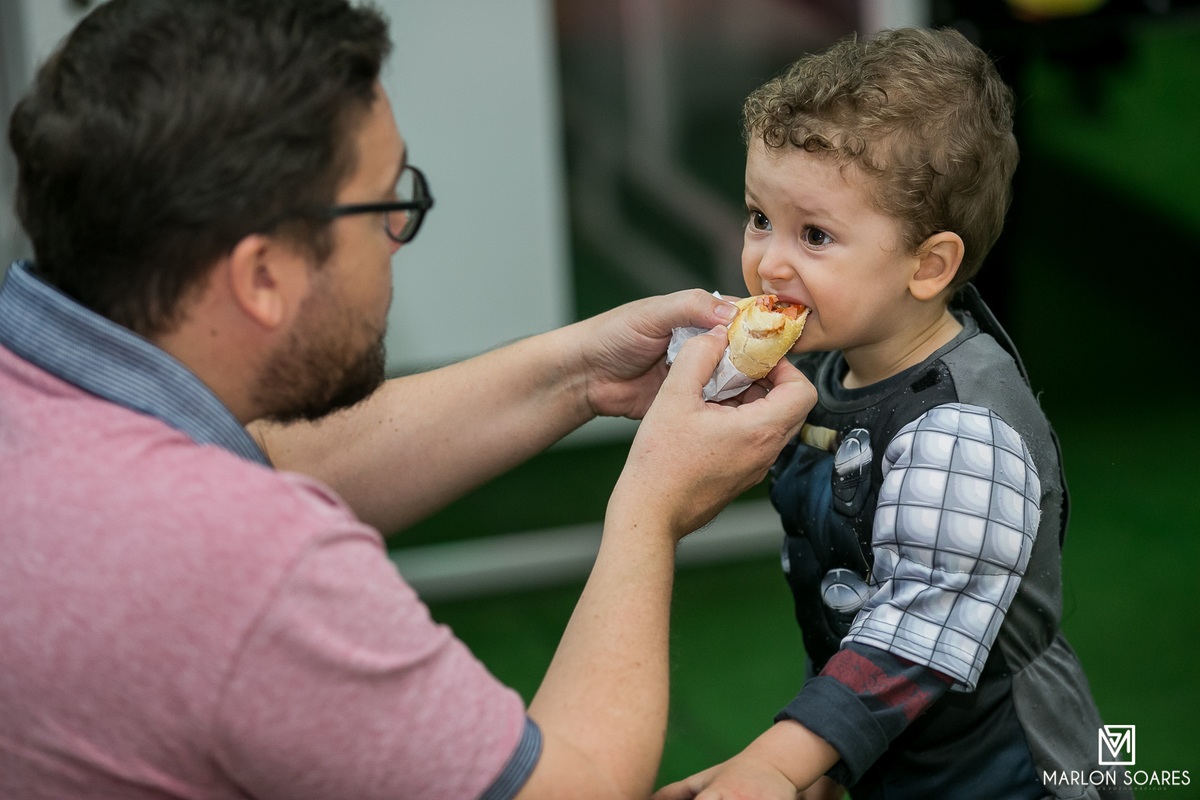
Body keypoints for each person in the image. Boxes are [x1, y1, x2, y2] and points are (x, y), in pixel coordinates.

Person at [0, 2, 817, 799]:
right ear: (262, 276)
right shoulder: (247, 564)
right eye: (388, 208)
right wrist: (652, 506)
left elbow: (254, 460)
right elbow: (580, 789)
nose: (397, 242)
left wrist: (583, 376)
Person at [654, 28, 1129, 800]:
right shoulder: (824, 361)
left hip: (1009, 768)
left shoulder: (963, 431)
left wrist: (781, 761)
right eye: (758, 217)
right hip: (894, 750)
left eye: (815, 234)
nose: (768, 261)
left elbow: (916, 636)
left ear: (929, 264)